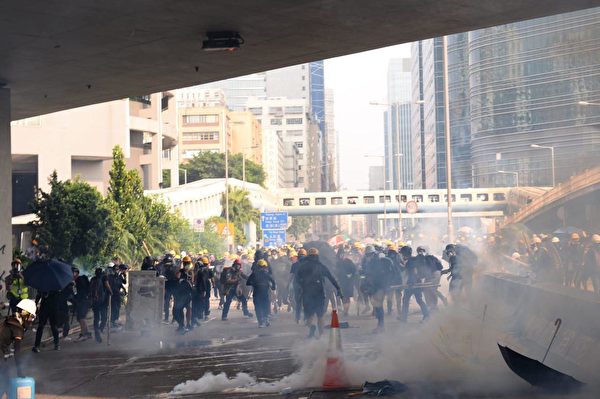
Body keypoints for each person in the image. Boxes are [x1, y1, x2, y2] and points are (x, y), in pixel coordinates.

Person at [295, 248, 342, 338]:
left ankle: (311, 326)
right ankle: (321, 335)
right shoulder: (320, 266)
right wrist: (338, 289)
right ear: (317, 256)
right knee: (320, 315)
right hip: (319, 293)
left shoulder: (302, 266)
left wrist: (302, 285)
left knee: (309, 315)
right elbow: (331, 278)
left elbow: (297, 279)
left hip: (307, 294)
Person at [0, 299, 36, 396]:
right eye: (31, 317)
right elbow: (17, 352)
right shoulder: (17, 328)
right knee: (4, 381)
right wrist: (19, 371)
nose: (31, 320)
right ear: (25, 314)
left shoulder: (10, 320)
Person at [364, 251, 394, 333]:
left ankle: (381, 326)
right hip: (381, 286)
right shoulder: (378, 262)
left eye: (369, 255)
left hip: (379, 287)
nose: (368, 256)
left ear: (373, 254)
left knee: (378, 305)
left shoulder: (374, 262)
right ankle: (380, 325)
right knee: (377, 305)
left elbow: (373, 275)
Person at [400, 246, 430, 322]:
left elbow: (415, 271)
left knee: (415, 300)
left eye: (402, 254)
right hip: (413, 282)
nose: (402, 256)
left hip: (413, 283)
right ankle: (404, 318)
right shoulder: (412, 260)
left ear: (405, 253)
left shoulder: (411, 261)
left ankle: (426, 315)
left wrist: (412, 282)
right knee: (411, 300)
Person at [246, 259, 277, 327]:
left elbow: (248, 282)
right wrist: (273, 288)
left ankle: (261, 322)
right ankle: (266, 319)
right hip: (265, 292)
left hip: (256, 292)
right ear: (265, 266)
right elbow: (273, 281)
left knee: (258, 307)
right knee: (265, 305)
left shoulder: (254, 273)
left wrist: (254, 283)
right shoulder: (266, 273)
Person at [89, 268, 112, 343]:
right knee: (104, 317)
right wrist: (111, 292)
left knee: (96, 318)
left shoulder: (93, 279)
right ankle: (100, 329)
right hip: (102, 301)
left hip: (94, 302)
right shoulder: (104, 277)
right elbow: (107, 285)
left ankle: (97, 332)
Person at [335, 248, 358, 317]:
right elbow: (334, 271)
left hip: (348, 282)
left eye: (342, 254)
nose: (341, 255)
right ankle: (342, 309)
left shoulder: (348, 261)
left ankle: (346, 311)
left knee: (346, 297)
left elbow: (354, 271)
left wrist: (350, 275)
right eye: (340, 254)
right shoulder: (336, 263)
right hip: (340, 282)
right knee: (340, 296)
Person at [73, 267, 92, 341]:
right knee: (81, 318)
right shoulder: (80, 280)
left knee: (81, 317)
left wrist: (75, 297)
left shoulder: (79, 280)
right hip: (85, 301)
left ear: (76, 273)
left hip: (83, 301)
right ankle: (86, 333)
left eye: (73, 273)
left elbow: (82, 292)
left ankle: (84, 334)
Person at [289, 248, 308, 323]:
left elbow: (291, 276)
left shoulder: (294, 265)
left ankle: (297, 318)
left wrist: (288, 284)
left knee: (298, 303)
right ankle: (306, 318)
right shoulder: (308, 264)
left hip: (297, 285)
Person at [193, 257, 213, 322]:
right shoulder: (208, 270)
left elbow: (194, 279)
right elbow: (212, 278)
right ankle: (206, 314)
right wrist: (214, 284)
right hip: (205, 286)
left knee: (200, 300)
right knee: (206, 299)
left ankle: (200, 313)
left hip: (200, 286)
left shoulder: (198, 270)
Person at [108, 263, 127, 328]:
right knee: (114, 308)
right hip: (112, 295)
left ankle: (116, 320)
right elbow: (109, 285)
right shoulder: (110, 277)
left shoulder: (119, 276)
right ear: (113, 270)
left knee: (118, 307)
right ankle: (113, 321)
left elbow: (124, 282)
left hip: (118, 294)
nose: (116, 271)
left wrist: (124, 275)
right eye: (115, 270)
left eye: (117, 270)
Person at [160, 253, 178, 323]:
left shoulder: (167, 266)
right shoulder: (173, 266)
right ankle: (172, 318)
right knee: (169, 302)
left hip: (169, 286)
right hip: (171, 286)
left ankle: (170, 318)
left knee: (167, 302)